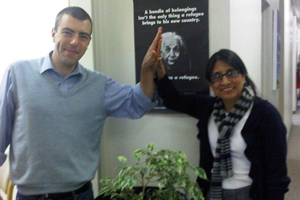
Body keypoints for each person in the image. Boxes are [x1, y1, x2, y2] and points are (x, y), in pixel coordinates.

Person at [0, 7, 162, 200]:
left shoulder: (99, 85)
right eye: (67, 32)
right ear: (53, 33)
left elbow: (138, 103)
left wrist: (146, 71)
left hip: (79, 195)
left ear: (88, 42)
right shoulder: (18, 73)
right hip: (30, 196)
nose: (74, 42)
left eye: (83, 36)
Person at [155, 44, 290, 199]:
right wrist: (160, 71)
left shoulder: (266, 115)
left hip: (251, 193)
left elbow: (277, 173)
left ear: (243, 76)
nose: (225, 81)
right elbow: (174, 100)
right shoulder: (209, 108)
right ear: (211, 84)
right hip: (214, 191)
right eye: (217, 76)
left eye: (231, 73)